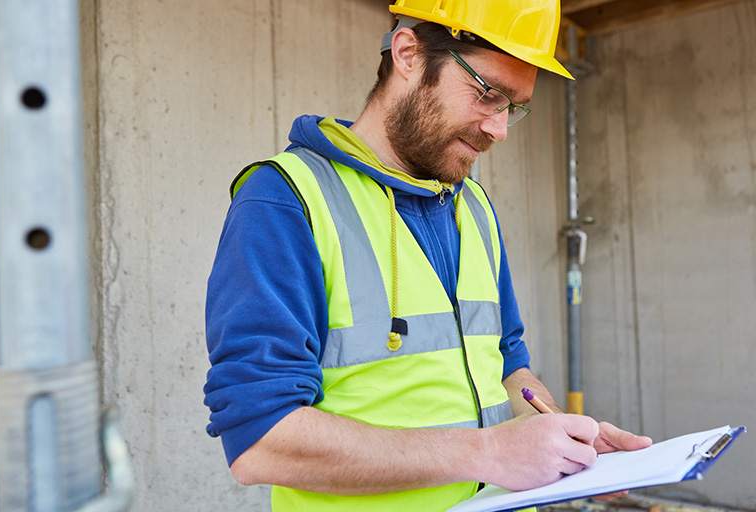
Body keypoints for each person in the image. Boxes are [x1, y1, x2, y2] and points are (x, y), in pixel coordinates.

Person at [203, 1, 652, 511]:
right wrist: (487, 452)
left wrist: (554, 434)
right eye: (487, 94)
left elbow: (507, 363)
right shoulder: (287, 200)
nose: (499, 128)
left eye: (514, 106)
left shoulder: (474, 207)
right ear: (408, 53)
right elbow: (260, 441)